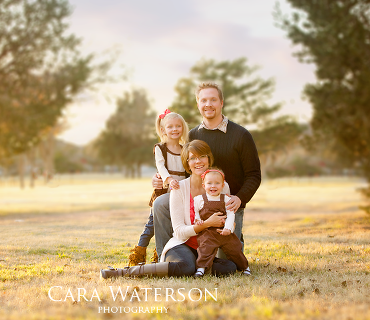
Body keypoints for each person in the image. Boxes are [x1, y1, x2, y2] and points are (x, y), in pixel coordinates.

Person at [152, 81, 261, 258]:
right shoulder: (192, 136)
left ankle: (226, 243)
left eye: (213, 100)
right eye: (203, 100)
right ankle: (167, 256)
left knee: (226, 263)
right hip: (194, 201)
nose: (208, 104)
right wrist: (160, 178)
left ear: (221, 103)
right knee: (160, 204)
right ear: (198, 104)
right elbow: (184, 168)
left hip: (227, 204)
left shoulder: (241, 135)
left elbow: (254, 175)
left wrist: (240, 199)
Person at [100, 140, 237, 279]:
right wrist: (207, 224)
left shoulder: (222, 186)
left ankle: (197, 266)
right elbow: (179, 231)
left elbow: (226, 218)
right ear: (187, 163)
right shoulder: (179, 188)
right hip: (183, 244)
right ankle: (123, 272)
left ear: (208, 159)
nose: (198, 161)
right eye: (193, 158)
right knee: (186, 266)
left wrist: (229, 225)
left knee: (229, 267)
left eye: (202, 156)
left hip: (206, 248)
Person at [128, 109, 189, 266]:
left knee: (169, 224)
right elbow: (161, 167)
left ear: (183, 128)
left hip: (180, 192)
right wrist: (168, 179)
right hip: (164, 190)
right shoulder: (160, 148)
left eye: (178, 126)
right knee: (152, 223)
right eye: (170, 127)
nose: (174, 129)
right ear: (163, 130)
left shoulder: (185, 149)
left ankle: (161, 254)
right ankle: (139, 252)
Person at [193, 168, 250, 277]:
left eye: (217, 183)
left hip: (224, 231)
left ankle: (245, 267)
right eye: (209, 183)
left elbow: (230, 214)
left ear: (223, 185)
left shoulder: (226, 199)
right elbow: (195, 211)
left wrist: (228, 228)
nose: (213, 186)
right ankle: (201, 269)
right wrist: (198, 220)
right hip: (208, 232)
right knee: (205, 249)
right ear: (204, 185)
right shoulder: (199, 199)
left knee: (235, 248)